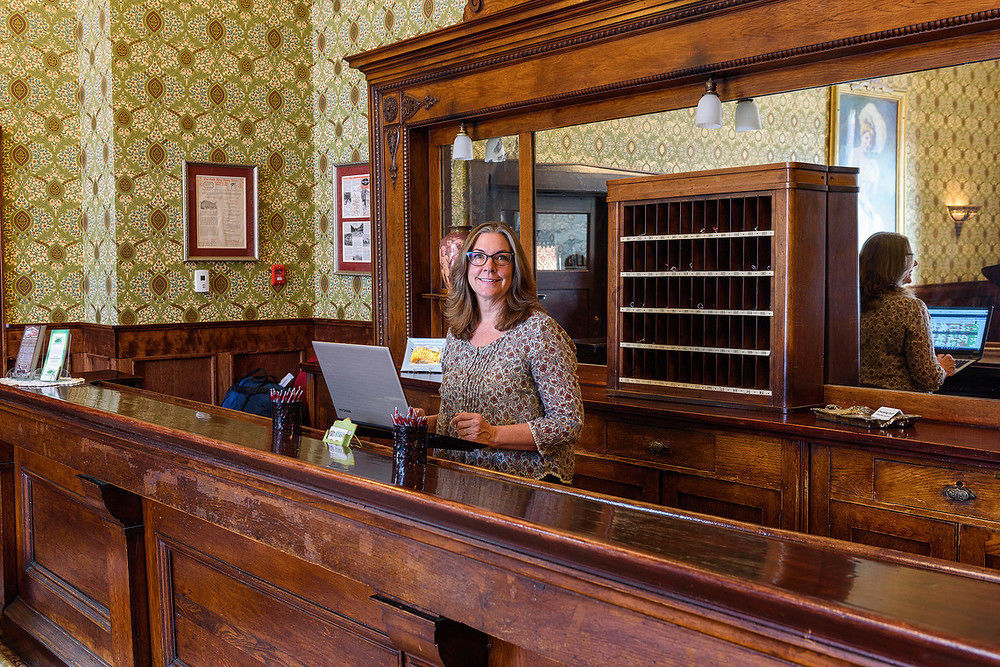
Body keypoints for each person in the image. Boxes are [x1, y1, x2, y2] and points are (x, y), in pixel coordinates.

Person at [425, 222, 583, 483]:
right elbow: (461, 415)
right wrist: (427, 423)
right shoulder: (457, 331)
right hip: (458, 478)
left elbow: (569, 422)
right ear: (465, 267)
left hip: (524, 486)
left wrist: (494, 435)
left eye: (501, 258)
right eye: (478, 257)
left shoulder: (539, 331)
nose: (489, 267)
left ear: (515, 269)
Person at [859, 232, 955, 392]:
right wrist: (942, 367)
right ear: (893, 265)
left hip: (858, 398)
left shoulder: (851, 302)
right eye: (909, 258)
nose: (915, 263)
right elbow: (929, 379)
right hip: (902, 405)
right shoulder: (911, 307)